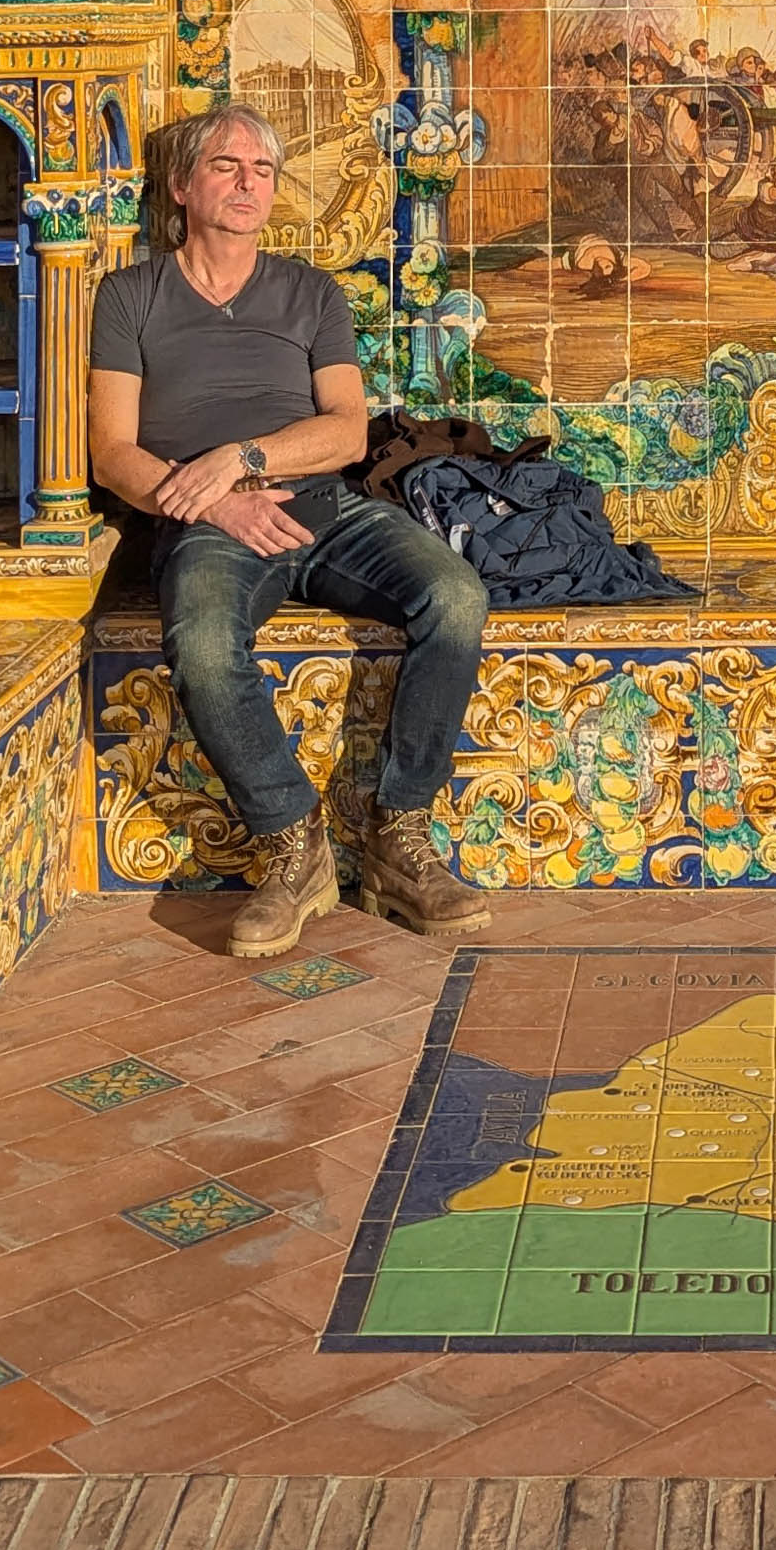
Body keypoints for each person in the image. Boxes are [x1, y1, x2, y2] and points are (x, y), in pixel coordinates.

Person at [88, 103, 491, 961]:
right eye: (228, 167)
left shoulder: (310, 292)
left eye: (263, 171)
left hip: (328, 509)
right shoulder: (130, 296)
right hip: (209, 526)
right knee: (199, 639)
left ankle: (400, 839)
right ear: (182, 187)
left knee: (454, 596)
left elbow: (346, 431)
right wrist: (210, 500)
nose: (247, 184)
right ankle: (292, 842)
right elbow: (112, 451)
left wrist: (244, 460)